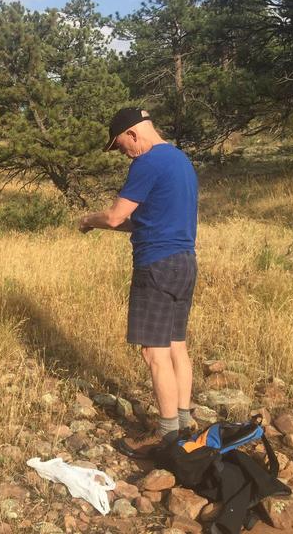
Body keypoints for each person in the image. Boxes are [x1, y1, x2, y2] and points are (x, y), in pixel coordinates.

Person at [78, 108, 198, 456]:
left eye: (119, 146)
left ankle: (167, 435)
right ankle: (185, 422)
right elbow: (143, 221)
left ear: (132, 134)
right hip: (185, 263)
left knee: (153, 352)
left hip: (156, 265)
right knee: (177, 345)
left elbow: (116, 217)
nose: (122, 153)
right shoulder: (181, 161)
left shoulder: (146, 163)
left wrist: (88, 219)